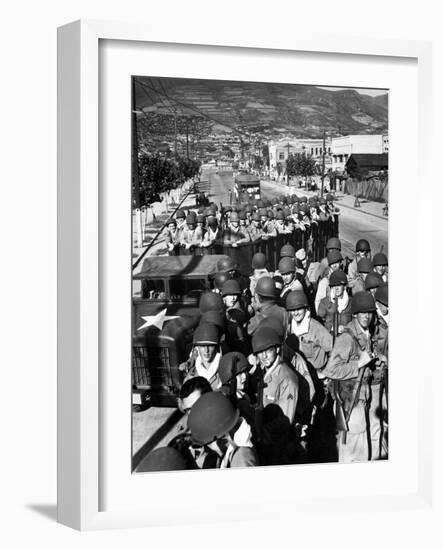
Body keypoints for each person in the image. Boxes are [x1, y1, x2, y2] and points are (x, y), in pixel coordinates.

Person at [323, 291, 388, 463]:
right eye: (362, 313)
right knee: (353, 450)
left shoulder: (368, 332)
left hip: (365, 394)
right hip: (350, 399)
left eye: (369, 312)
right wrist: (359, 363)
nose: (366, 316)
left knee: (369, 439)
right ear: (355, 314)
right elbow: (331, 370)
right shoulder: (347, 338)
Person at [187, 392, 259, 468]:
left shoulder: (241, 462)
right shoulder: (238, 450)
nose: (206, 450)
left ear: (223, 439)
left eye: (207, 445)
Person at [286, 290, 333, 377]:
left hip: (317, 375)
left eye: (299, 309)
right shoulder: (290, 329)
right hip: (299, 374)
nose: (296, 313)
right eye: (292, 310)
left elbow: (333, 349)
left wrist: (326, 372)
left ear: (305, 308)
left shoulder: (315, 327)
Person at [180, 323, 222, 390]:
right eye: (202, 346)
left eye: (210, 346)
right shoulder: (191, 377)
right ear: (197, 347)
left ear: (216, 347)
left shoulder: (224, 373)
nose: (206, 350)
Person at [317, 269, 352, 335]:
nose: (336, 288)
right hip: (329, 338)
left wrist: (346, 328)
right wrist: (331, 328)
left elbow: (355, 324)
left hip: (346, 339)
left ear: (344, 286)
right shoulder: (324, 302)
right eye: (334, 286)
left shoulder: (351, 303)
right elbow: (319, 324)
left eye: (339, 285)